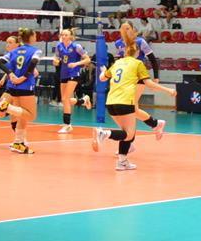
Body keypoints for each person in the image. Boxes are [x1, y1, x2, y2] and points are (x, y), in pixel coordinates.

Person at [92, 41, 176, 171]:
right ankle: (104, 133)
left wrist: (103, 72)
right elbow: (149, 83)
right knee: (129, 134)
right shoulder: (138, 63)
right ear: (137, 52)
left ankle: (122, 162)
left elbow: (102, 78)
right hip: (125, 101)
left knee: (126, 133)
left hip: (111, 102)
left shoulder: (118, 63)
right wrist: (168, 90)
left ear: (125, 52)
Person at [0, 28, 42, 155]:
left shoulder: (14, 51)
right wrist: (24, 77)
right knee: (31, 115)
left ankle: (18, 143)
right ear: (30, 37)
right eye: (35, 35)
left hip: (12, 85)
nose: (36, 37)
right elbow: (34, 62)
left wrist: (10, 74)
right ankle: (7, 107)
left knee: (22, 116)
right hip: (25, 86)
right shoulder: (36, 50)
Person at [54, 29, 92, 134]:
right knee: (64, 100)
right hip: (63, 73)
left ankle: (67, 125)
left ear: (70, 36)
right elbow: (57, 58)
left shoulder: (76, 46)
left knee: (65, 98)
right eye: (62, 35)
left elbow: (87, 59)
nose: (63, 36)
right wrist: (56, 61)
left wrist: (76, 64)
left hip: (74, 73)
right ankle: (83, 101)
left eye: (66, 35)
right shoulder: (59, 46)